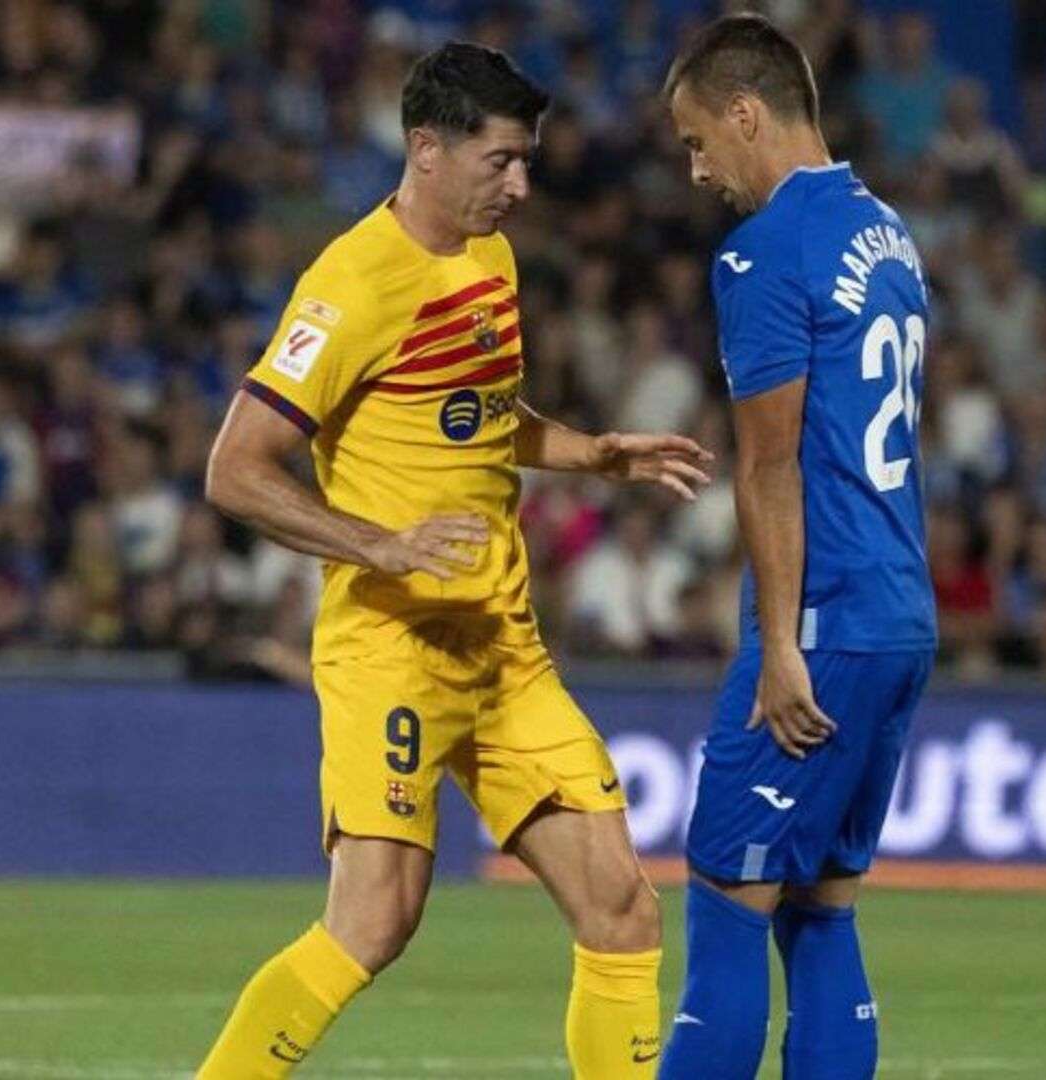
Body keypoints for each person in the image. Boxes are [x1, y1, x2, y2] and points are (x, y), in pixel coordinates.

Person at [195, 42, 713, 1078]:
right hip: (393, 643)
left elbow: (472, 413)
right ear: (426, 150)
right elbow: (235, 469)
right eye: (502, 162)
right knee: (374, 921)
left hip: (502, 647)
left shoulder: (490, 258)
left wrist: (586, 452)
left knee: (621, 905)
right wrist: (378, 543)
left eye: (527, 163)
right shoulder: (349, 285)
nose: (520, 186)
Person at [660, 15, 938, 1079]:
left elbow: (770, 465)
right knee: (819, 906)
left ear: (747, 112)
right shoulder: (887, 230)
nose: (697, 171)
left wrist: (780, 647)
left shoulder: (766, 248)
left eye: (697, 140)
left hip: (821, 622)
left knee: (728, 895)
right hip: (898, 614)